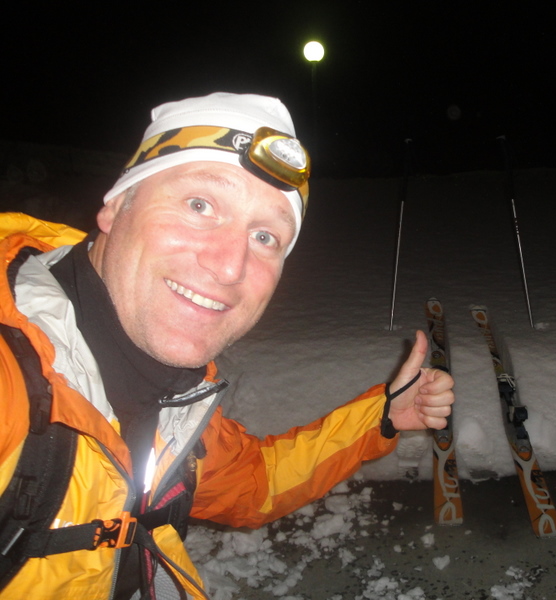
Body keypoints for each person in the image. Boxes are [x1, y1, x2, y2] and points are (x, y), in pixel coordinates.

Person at [0, 92, 454, 599]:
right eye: (200, 205)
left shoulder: (172, 397)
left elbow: (253, 484)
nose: (230, 266)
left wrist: (383, 416)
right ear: (116, 206)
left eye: (265, 237)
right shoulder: (12, 378)